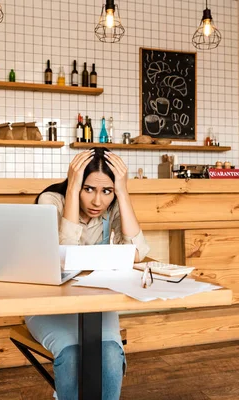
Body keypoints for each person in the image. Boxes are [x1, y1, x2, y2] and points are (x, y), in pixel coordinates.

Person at [26, 148, 150, 400]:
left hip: (95, 305)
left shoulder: (114, 206)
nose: (97, 202)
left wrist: (123, 192)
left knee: (111, 356)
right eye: (88, 189)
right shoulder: (50, 202)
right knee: (71, 355)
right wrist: (71, 190)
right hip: (47, 304)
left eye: (107, 191)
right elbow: (64, 256)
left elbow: (137, 253)